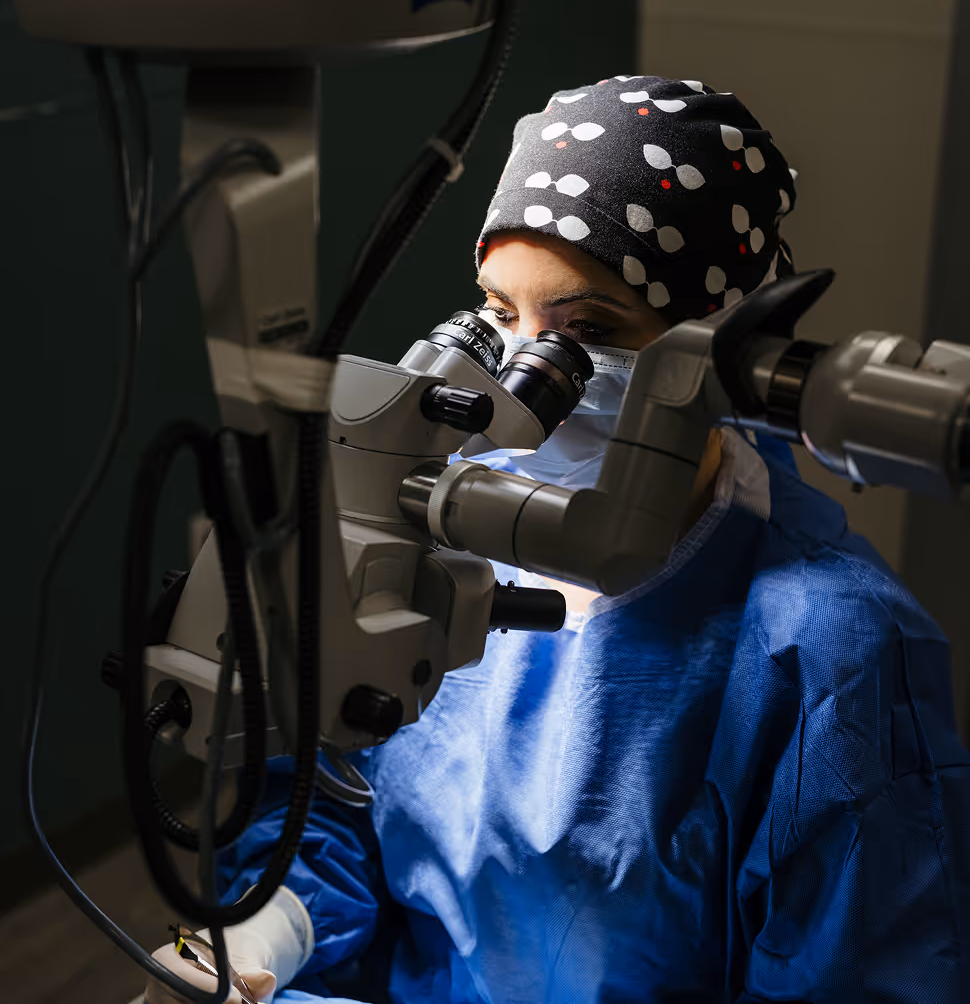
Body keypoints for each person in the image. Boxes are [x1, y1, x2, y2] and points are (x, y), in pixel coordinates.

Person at [147, 75, 970, 1003]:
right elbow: (333, 808)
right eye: (500, 316)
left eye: (589, 332)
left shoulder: (830, 654)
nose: (520, 380)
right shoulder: (410, 540)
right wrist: (266, 933)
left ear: (721, 356)